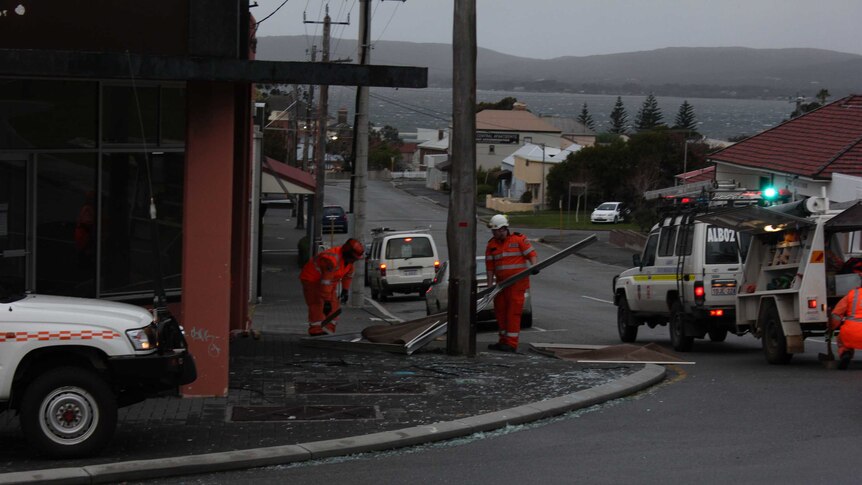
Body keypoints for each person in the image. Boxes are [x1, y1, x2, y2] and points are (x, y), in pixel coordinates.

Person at [484, 214, 538, 352]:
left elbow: (531, 255)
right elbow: (490, 267)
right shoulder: (491, 245)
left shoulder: (519, 239)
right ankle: (503, 340)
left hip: (517, 284)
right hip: (501, 285)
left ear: (503, 229)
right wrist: (490, 286)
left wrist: (534, 266)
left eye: (495, 230)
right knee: (501, 312)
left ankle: (511, 343)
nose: (493, 233)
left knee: (513, 313)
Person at [300, 238, 364, 336]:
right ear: (348, 254)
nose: (354, 260)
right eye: (353, 258)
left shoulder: (348, 262)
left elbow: (348, 275)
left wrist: (345, 290)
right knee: (318, 305)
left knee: (334, 308)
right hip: (312, 280)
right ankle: (316, 332)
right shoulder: (330, 260)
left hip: (328, 284)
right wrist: (326, 301)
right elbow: (326, 281)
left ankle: (328, 331)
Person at [829, 284, 862, 369]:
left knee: (842, 340)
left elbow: (836, 314)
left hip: (851, 332)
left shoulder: (852, 295)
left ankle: (845, 353)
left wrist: (832, 327)